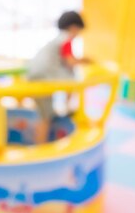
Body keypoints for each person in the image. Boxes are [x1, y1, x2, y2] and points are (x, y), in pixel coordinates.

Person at [27, 11, 93, 144]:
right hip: (43, 78)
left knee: (44, 113)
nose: (78, 34)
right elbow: (70, 62)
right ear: (74, 27)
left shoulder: (56, 40)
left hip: (36, 75)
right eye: (78, 31)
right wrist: (85, 61)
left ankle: (66, 107)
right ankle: (41, 148)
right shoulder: (66, 39)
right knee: (45, 117)